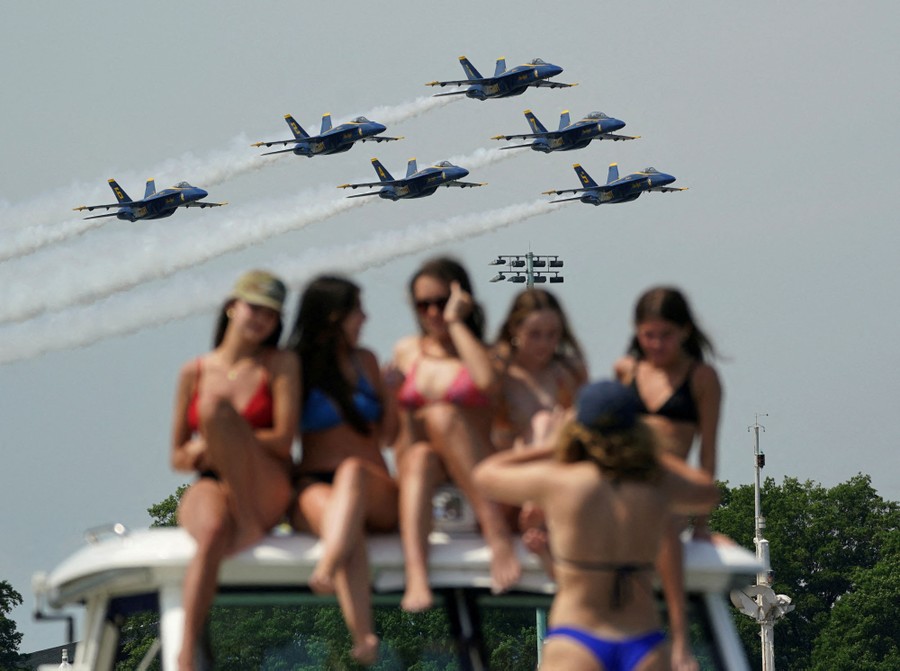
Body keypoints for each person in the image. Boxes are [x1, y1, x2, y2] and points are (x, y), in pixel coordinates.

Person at [473, 380, 720, 671]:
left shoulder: (562, 483)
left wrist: (553, 446)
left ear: (579, 431)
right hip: (641, 638)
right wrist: (652, 451)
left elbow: (485, 475)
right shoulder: (655, 483)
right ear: (636, 430)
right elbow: (708, 492)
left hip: (576, 636)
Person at [171, 270, 299, 671]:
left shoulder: (280, 364)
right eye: (254, 307)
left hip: (264, 481)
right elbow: (176, 456)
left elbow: (282, 440)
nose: (261, 318)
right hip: (212, 480)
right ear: (232, 306)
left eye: (272, 313)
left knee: (214, 410)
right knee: (209, 531)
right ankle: (187, 650)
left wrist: (226, 436)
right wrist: (202, 451)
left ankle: (247, 522)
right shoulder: (193, 371)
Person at [388, 256, 520, 612]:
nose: (432, 312)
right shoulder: (406, 351)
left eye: (441, 301)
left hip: (479, 474)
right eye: (423, 304)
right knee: (418, 454)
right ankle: (416, 572)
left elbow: (488, 383)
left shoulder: (491, 352)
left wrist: (455, 323)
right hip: (424, 472)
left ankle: (496, 534)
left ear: (461, 298)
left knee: (443, 416)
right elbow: (389, 435)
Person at [288, 275, 398, 666]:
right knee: (343, 525)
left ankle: (328, 563)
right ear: (334, 316)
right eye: (357, 311)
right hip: (315, 483)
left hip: (373, 485)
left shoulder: (365, 360)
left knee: (353, 471)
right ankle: (364, 637)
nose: (365, 318)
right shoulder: (293, 365)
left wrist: (393, 395)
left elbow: (388, 436)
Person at [613, 286, 723, 671]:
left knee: (659, 515)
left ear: (685, 331)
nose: (657, 344)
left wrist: (703, 523)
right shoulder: (626, 370)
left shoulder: (702, 378)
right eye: (648, 335)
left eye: (666, 335)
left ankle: (679, 638)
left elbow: (707, 451)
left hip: (675, 486)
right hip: (627, 481)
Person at [492, 288, 588, 574]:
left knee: (553, 421)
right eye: (535, 334)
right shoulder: (498, 373)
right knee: (544, 422)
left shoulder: (569, 372)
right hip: (508, 474)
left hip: (555, 477)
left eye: (552, 334)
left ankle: (540, 513)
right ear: (515, 329)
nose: (544, 344)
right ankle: (537, 508)